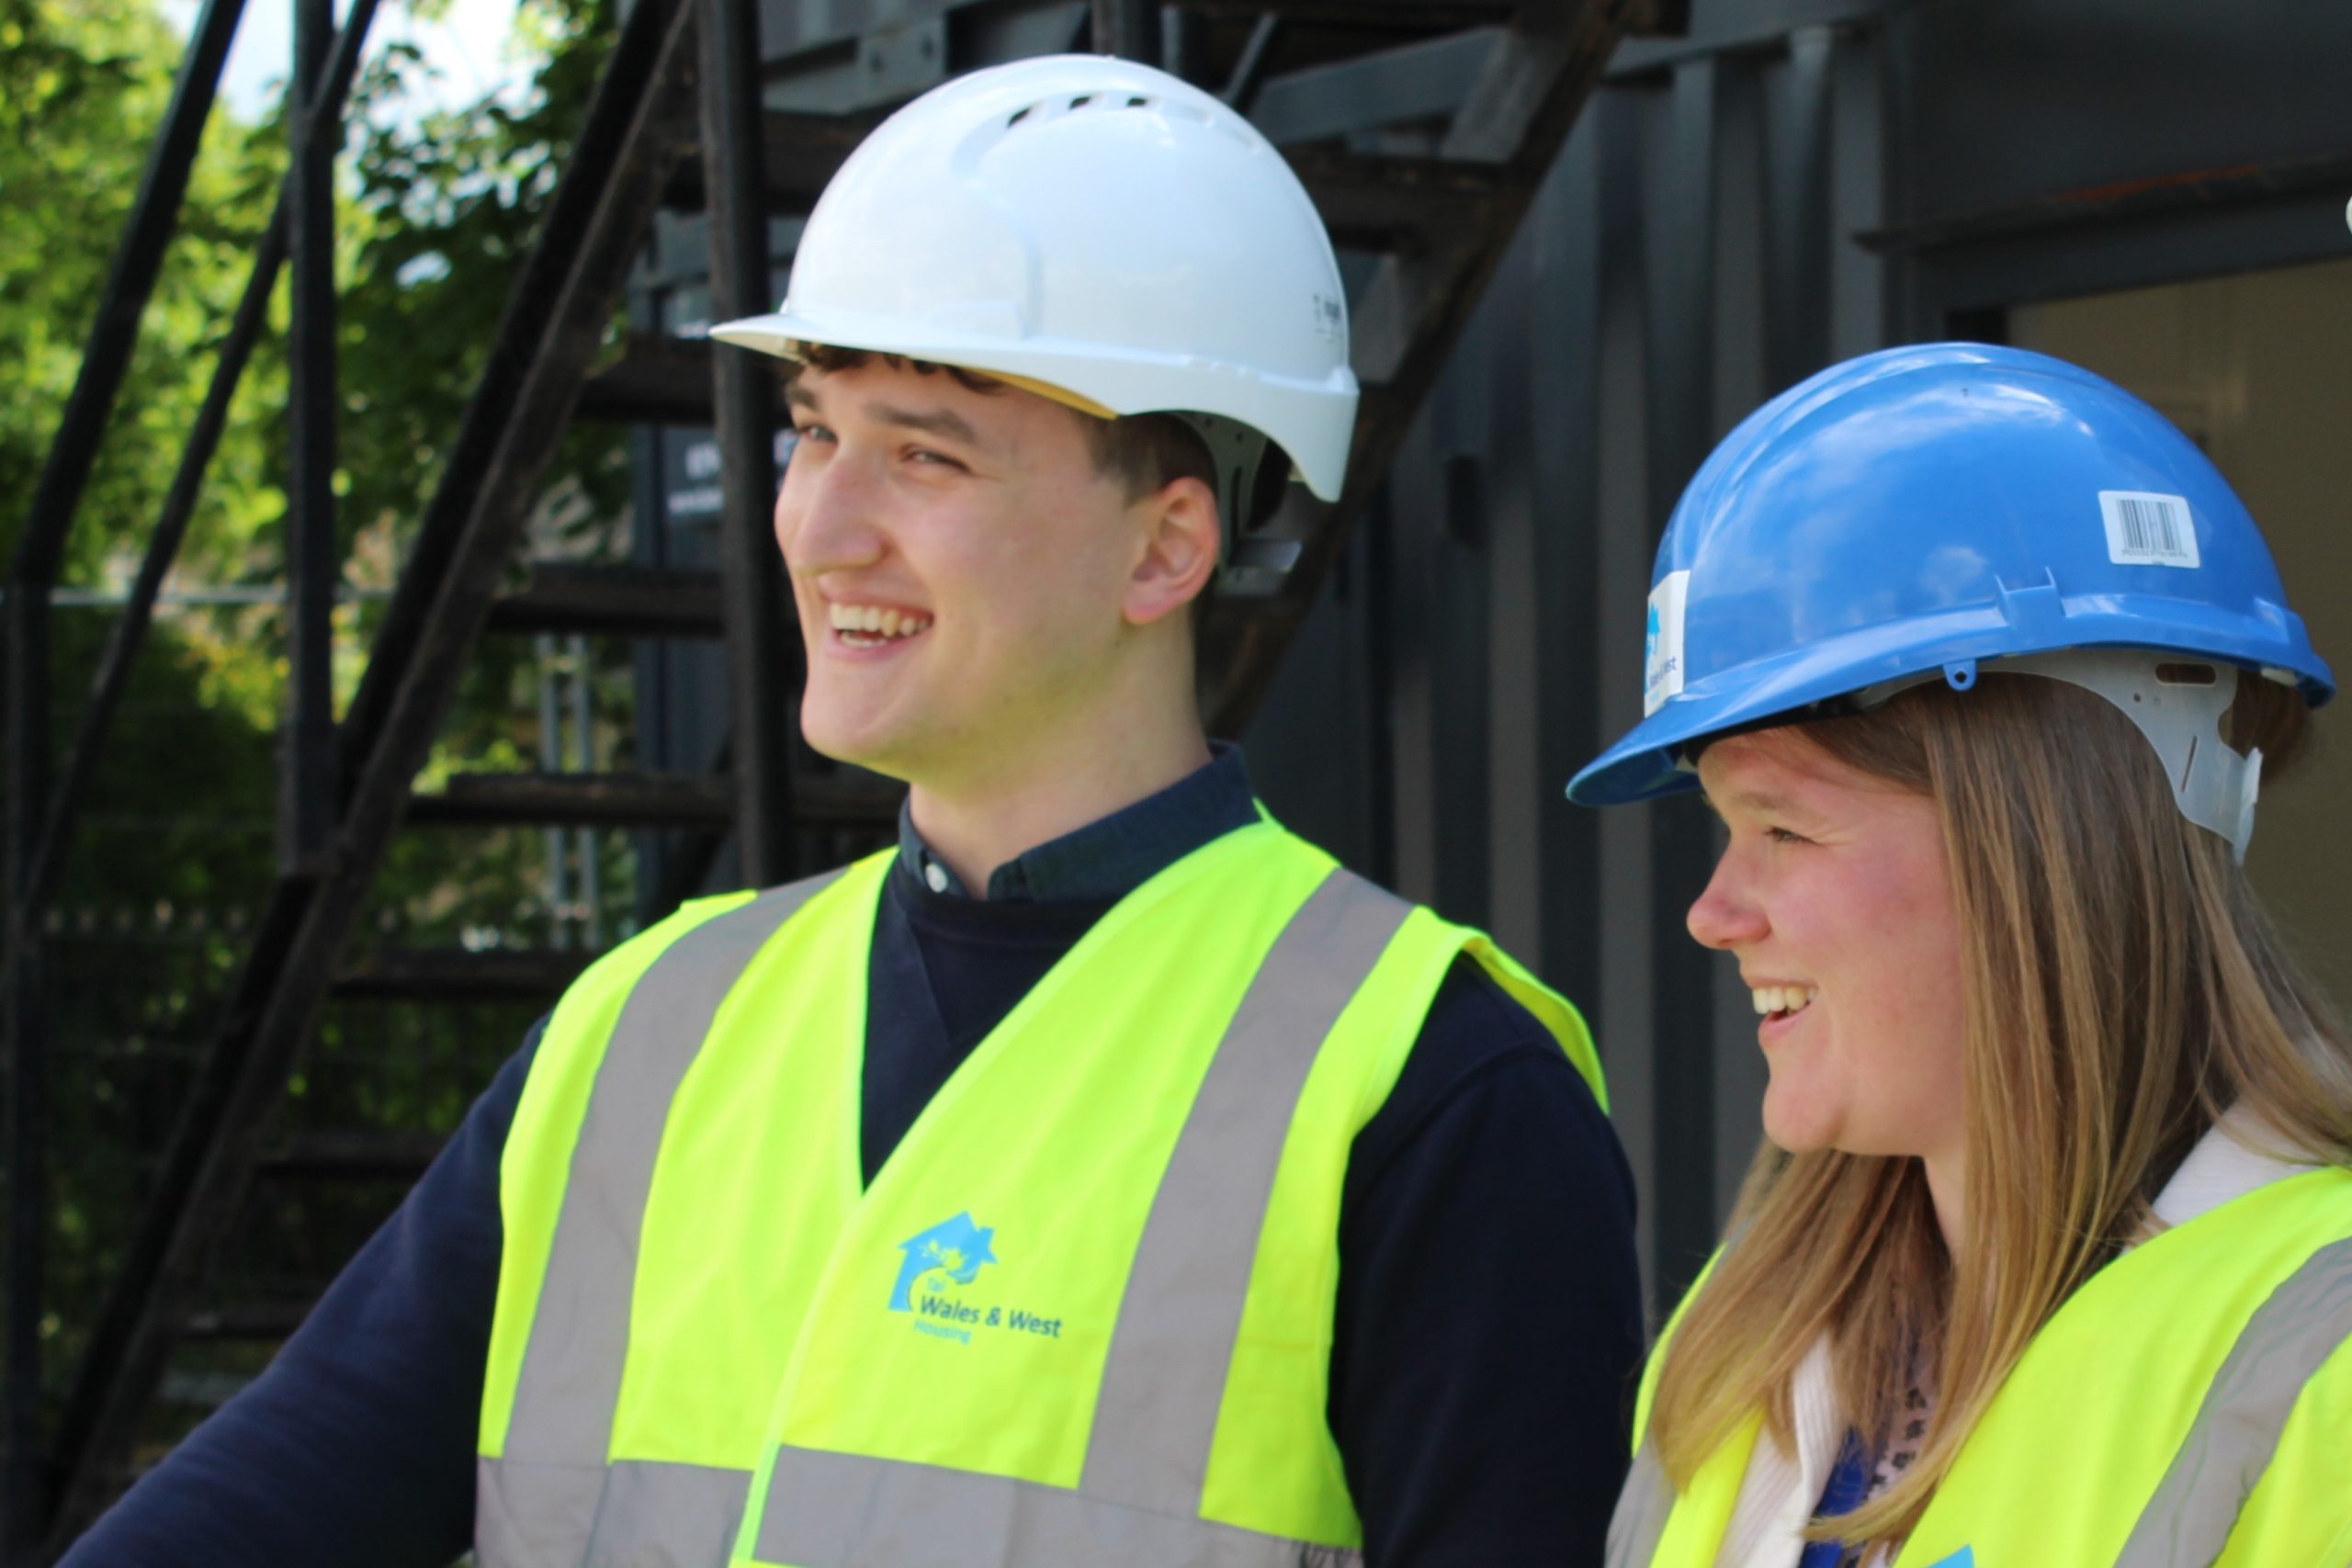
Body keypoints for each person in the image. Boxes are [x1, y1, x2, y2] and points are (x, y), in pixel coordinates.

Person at [62, 54, 1643, 1568]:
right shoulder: (645, 1034)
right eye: (813, 430)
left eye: (926, 457)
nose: (821, 524)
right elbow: (281, 1490)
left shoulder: (1435, 1094)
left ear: (1164, 552)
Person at [1574, 342, 2352, 1566]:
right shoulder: (1737, 1341)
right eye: (1726, 830)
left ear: (2050, 843)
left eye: (1783, 825)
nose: (1713, 913)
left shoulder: (2328, 1367)